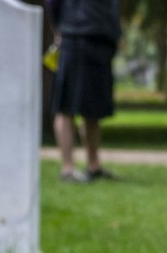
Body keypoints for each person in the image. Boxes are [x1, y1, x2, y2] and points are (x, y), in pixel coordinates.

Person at [46, 0, 123, 182]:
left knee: (94, 110)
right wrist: (59, 29)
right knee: (65, 107)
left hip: (101, 39)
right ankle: (68, 169)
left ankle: (93, 166)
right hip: (74, 37)